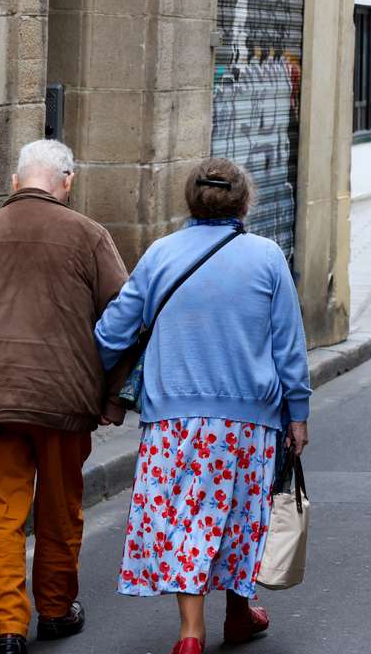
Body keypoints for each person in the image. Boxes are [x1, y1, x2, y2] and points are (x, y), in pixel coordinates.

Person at [94, 158, 311, 654]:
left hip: (173, 421)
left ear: (191, 200)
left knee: (185, 518)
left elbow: (112, 333)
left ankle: (191, 633)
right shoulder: (267, 257)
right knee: (240, 515)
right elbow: (288, 347)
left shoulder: (160, 254)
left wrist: (98, 371)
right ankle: (238, 613)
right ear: (244, 202)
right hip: (248, 420)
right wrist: (297, 414)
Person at [0, 139, 129, 654]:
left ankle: (7, 626)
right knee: (59, 510)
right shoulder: (89, 236)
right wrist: (113, 397)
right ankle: (54, 607)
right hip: (64, 400)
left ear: (17, 183)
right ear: (66, 182)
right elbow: (124, 318)